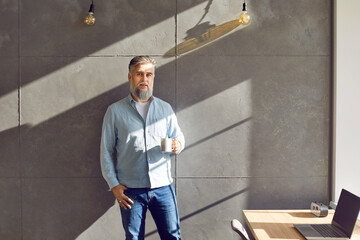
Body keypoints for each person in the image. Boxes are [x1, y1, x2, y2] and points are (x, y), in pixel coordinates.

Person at [100, 56, 185, 240]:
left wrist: (177, 144)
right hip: (131, 190)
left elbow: (179, 137)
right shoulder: (115, 111)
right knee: (133, 237)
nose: (144, 79)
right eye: (139, 74)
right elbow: (106, 151)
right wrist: (113, 185)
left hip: (163, 186)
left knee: (172, 235)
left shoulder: (165, 109)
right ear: (130, 77)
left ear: (153, 78)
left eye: (149, 74)